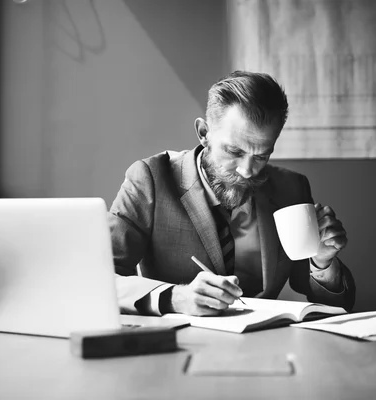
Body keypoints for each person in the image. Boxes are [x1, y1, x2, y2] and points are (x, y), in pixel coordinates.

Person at [109, 70, 355, 316]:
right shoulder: (150, 179)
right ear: (204, 133)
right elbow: (99, 277)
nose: (247, 171)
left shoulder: (291, 189)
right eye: (234, 152)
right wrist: (176, 297)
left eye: (261, 156)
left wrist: (322, 263)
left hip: (265, 342)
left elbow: (335, 305)